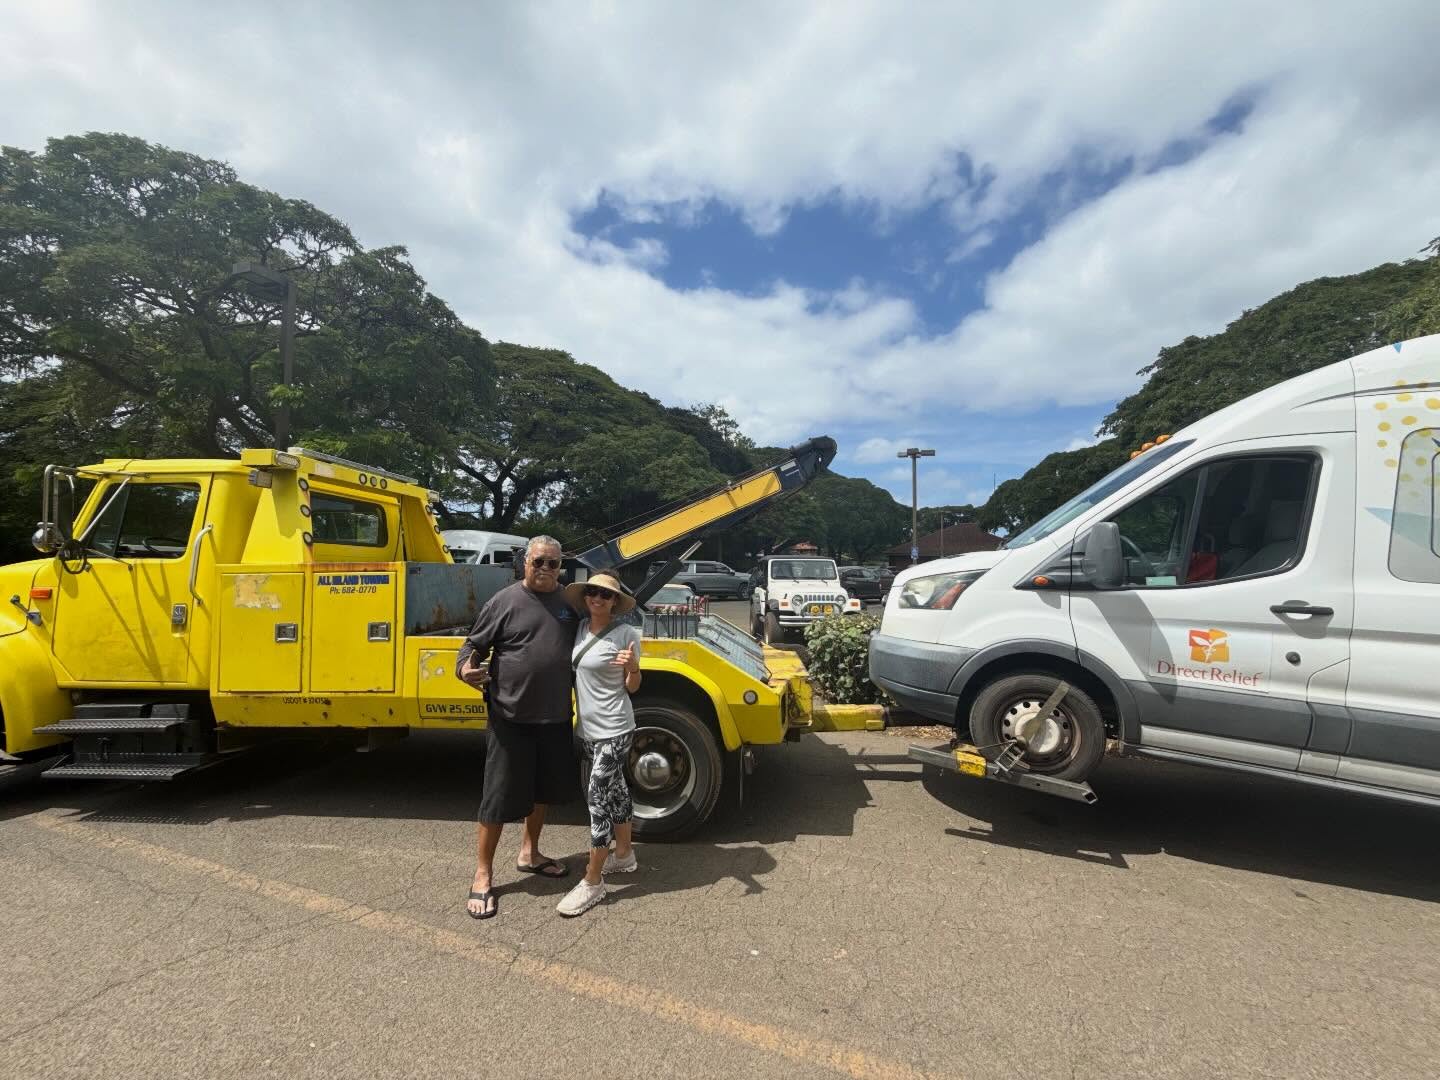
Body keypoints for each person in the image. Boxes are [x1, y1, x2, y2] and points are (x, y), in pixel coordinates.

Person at [457, 535, 579, 920]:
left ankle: (530, 852)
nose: (545, 570)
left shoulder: (569, 604)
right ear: (524, 563)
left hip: (555, 717)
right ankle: (483, 873)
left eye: (553, 564)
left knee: (540, 791)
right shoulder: (504, 601)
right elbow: (472, 646)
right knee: (497, 797)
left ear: (561, 567)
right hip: (510, 717)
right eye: (538, 562)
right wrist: (465, 669)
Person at [554, 571, 642, 917]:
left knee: (597, 798)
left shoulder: (625, 633)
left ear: (616, 602)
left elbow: (633, 687)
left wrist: (634, 668)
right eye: (592, 592)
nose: (598, 599)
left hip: (616, 730)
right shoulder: (578, 629)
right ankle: (624, 855)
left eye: (606, 595)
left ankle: (592, 882)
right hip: (589, 730)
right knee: (617, 791)